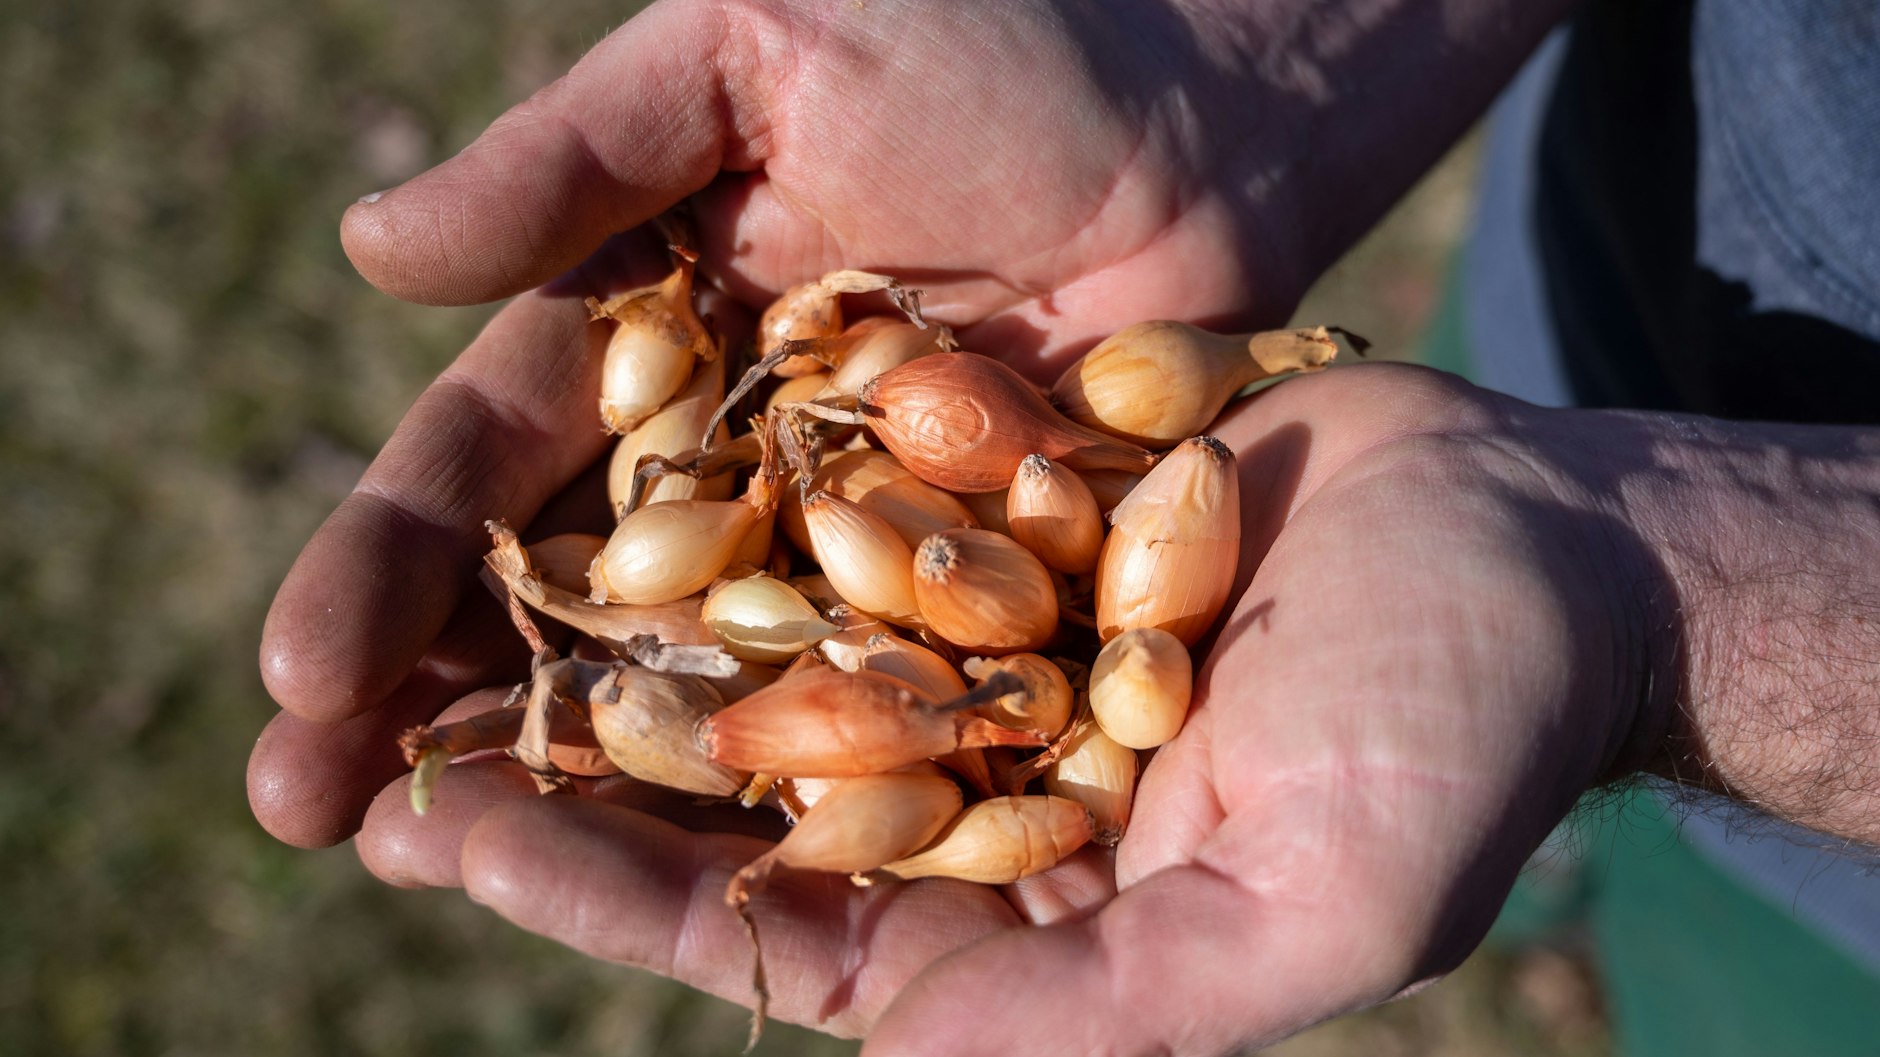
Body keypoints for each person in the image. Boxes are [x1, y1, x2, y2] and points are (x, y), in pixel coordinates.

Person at [247, 1, 1880, 1053]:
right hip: (1619, 238)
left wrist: (1672, 602)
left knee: (1729, 993)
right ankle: (1548, 874)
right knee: (1521, 831)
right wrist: (1222, 48)